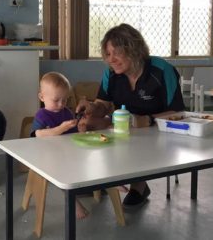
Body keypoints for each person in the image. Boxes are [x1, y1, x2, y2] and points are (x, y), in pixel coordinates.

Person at [76, 23, 185, 208]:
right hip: (126, 128)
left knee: (135, 142)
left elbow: (179, 112)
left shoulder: (161, 70)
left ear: (133, 49)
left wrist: (148, 119)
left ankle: (138, 186)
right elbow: (103, 105)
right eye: (108, 54)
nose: (111, 59)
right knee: (88, 125)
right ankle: (98, 178)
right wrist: (92, 108)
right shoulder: (111, 74)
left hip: (160, 132)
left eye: (116, 53)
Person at [30, 71, 88, 219]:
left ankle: (108, 184)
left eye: (65, 100)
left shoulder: (66, 112)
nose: (61, 104)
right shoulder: (41, 115)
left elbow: (73, 135)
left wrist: (81, 129)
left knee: (90, 159)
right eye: (56, 100)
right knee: (63, 175)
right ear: (42, 97)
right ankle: (75, 203)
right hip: (47, 157)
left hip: (67, 153)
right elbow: (37, 134)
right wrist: (60, 129)